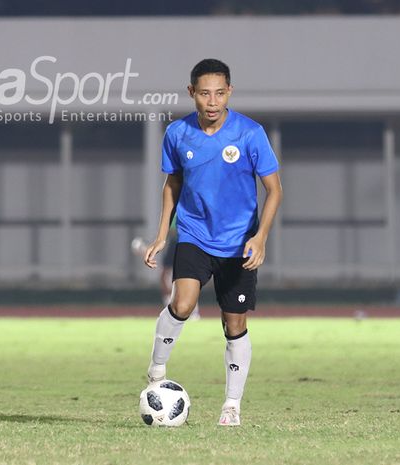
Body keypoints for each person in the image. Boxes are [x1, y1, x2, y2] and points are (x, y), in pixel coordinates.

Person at [142, 58, 282, 426]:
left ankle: (231, 405)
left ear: (229, 92)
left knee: (234, 324)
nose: (212, 101)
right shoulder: (177, 133)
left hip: (239, 244)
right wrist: (161, 234)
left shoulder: (250, 133)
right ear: (192, 93)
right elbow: (172, 184)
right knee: (183, 303)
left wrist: (261, 236)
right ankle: (156, 370)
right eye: (204, 93)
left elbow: (274, 190)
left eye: (220, 93)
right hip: (194, 234)